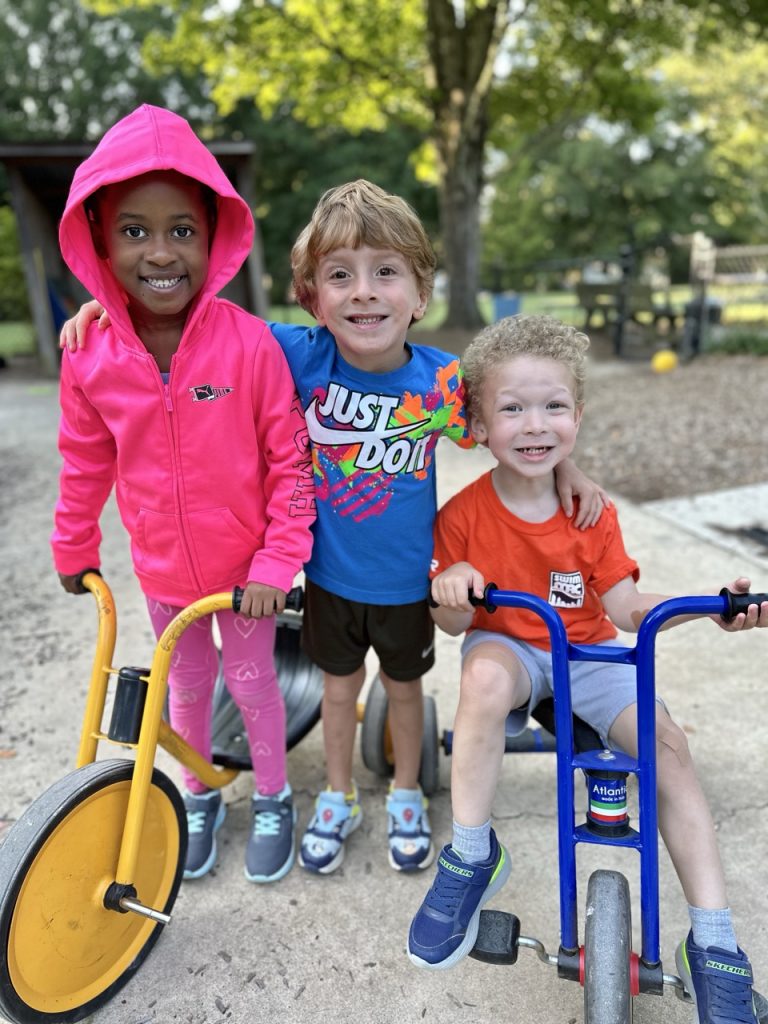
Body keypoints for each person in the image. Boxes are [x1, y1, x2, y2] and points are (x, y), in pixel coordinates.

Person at [60, 180, 607, 877]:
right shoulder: (292, 354)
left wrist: (566, 468)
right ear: (312, 297)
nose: (364, 293)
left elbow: (518, 424)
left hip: (409, 582)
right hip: (328, 578)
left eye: (386, 273)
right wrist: (109, 307)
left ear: (421, 293)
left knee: (405, 691)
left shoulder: (445, 384)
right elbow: (191, 320)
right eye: (340, 275)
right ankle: (338, 795)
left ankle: (405, 793)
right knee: (338, 692)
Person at [406, 314, 766, 1023]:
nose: (535, 425)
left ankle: (715, 938)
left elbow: (628, 609)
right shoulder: (461, 516)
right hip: (508, 646)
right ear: (478, 424)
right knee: (482, 678)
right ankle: (472, 853)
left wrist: (711, 607)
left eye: (554, 406)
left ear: (578, 415)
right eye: (512, 409)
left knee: (667, 747)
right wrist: (451, 586)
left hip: (588, 651)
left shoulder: (592, 512)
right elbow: (450, 624)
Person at [52, 104, 316, 885]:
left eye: (182, 230)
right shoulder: (90, 354)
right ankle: (197, 795)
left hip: (247, 575)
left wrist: (277, 562)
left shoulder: (250, 344)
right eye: (134, 231)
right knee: (185, 684)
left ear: (214, 237)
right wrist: (74, 546)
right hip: (165, 570)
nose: (161, 252)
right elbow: (84, 461)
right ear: (100, 241)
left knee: (252, 681)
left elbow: (291, 464)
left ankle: (272, 795)